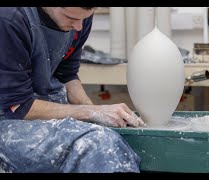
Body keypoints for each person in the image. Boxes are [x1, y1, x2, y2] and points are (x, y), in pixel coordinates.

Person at [0, 7, 144, 173]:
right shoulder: (10, 19)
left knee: (116, 135)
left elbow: (66, 74)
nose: (79, 27)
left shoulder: (79, 17)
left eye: (85, 18)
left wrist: (98, 114)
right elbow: (18, 106)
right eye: (70, 17)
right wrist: (92, 112)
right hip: (8, 120)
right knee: (98, 143)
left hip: (44, 107)